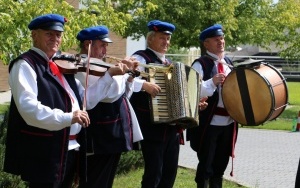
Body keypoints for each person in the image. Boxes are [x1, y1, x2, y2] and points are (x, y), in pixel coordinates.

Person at [3, 14, 131, 188]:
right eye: (49, 34)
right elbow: (29, 109)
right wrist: (68, 117)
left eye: (58, 35)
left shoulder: (60, 65)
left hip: (69, 149)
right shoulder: (25, 64)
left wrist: (108, 77)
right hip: (45, 151)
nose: (55, 39)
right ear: (34, 35)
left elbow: (88, 101)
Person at [75, 26, 143, 188]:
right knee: (96, 181)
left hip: (113, 134)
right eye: (102, 45)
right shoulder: (82, 66)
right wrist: (118, 73)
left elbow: (124, 95)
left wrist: (130, 77)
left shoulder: (101, 66)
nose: (106, 50)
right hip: (100, 136)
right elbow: (109, 95)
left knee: (106, 181)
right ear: (88, 44)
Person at [130, 20, 182, 188]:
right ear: (150, 38)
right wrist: (144, 85)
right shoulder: (139, 57)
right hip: (151, 127)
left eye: (168, 39)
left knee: (169, 173)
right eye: (162, 38)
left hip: (171, 128)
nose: (166, 42)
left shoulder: (169, 65)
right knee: (154, 173)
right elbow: (126, 81)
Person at [186, 24, 238, 188]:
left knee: (220, 165)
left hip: (229, 123)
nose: (220, 42)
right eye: (216, 40)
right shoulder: (200, 64)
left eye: (221, 38)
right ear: (206, 44)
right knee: (206, 165)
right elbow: (191, 91)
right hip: (209, 124)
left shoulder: (229, 63)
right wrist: (212, 82)